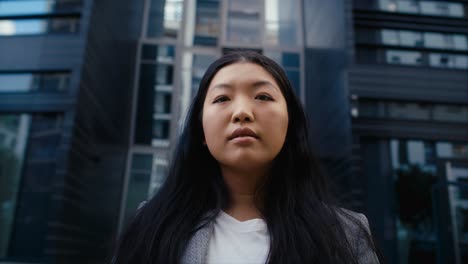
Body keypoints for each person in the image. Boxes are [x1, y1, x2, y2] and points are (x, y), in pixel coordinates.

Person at [112, 51, 381, 263]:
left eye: (262, 96)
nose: (242, 112)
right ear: (201, 131)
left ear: (289, 125)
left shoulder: (346, 233)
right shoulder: (151, 225)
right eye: (221, 99)